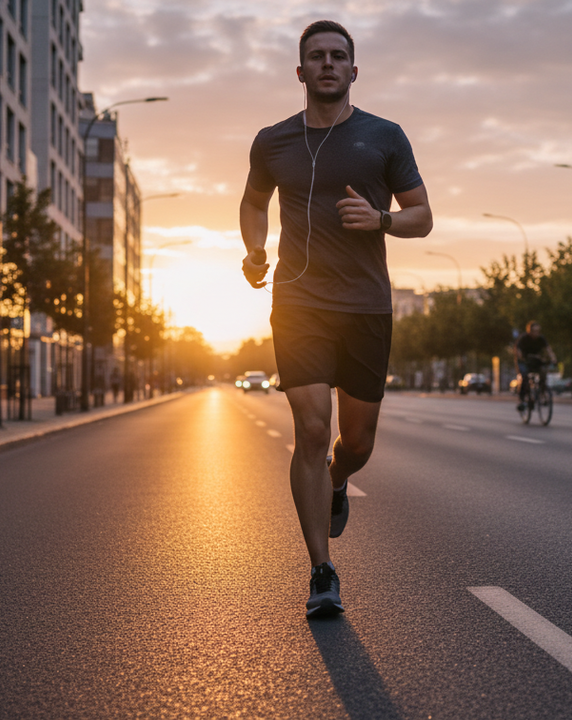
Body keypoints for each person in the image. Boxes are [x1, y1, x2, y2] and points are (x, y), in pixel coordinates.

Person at [239, 20, 433, 618]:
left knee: (356, 442)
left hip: (367, 305)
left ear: (354, 70)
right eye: (316, 56)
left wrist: (379, 220)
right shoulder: (272, 142)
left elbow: (422, 217)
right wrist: (254, 249)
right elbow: (252, 202)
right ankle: (322, 572)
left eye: (338, 56)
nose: (327, 64)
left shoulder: (385, 136)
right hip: (298, 303)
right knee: (312, 429)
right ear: (300, 72)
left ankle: (339, 479)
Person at [514, 321, 556, 410]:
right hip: (524, 361)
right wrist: (521, 357)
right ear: (529, 331)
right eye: (534, 331)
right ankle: (521, 400)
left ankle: (542, 392)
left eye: (538, 331)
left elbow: (548, 349)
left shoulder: (541, 339)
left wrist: (553, 358)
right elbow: (518, 350)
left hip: (535, 360)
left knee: (543, 373)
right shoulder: (524, 339)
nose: (537, 333)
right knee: (524, 377)